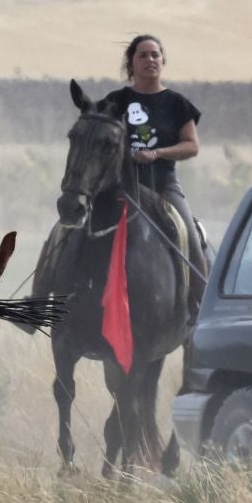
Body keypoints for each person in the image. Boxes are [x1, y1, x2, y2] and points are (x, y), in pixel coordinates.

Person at [101, 33, 207, 310]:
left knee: (190, 237)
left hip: (163, 186)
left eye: (155, 55)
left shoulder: (177, 103)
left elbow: (192, 146)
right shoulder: (115, 101)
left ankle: (201, 305)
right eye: (143, 55)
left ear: (163, 61)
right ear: (131, 64)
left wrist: (157, 153)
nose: (150, 60)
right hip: (119, 186)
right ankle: (48, 295)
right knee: (67, 229)